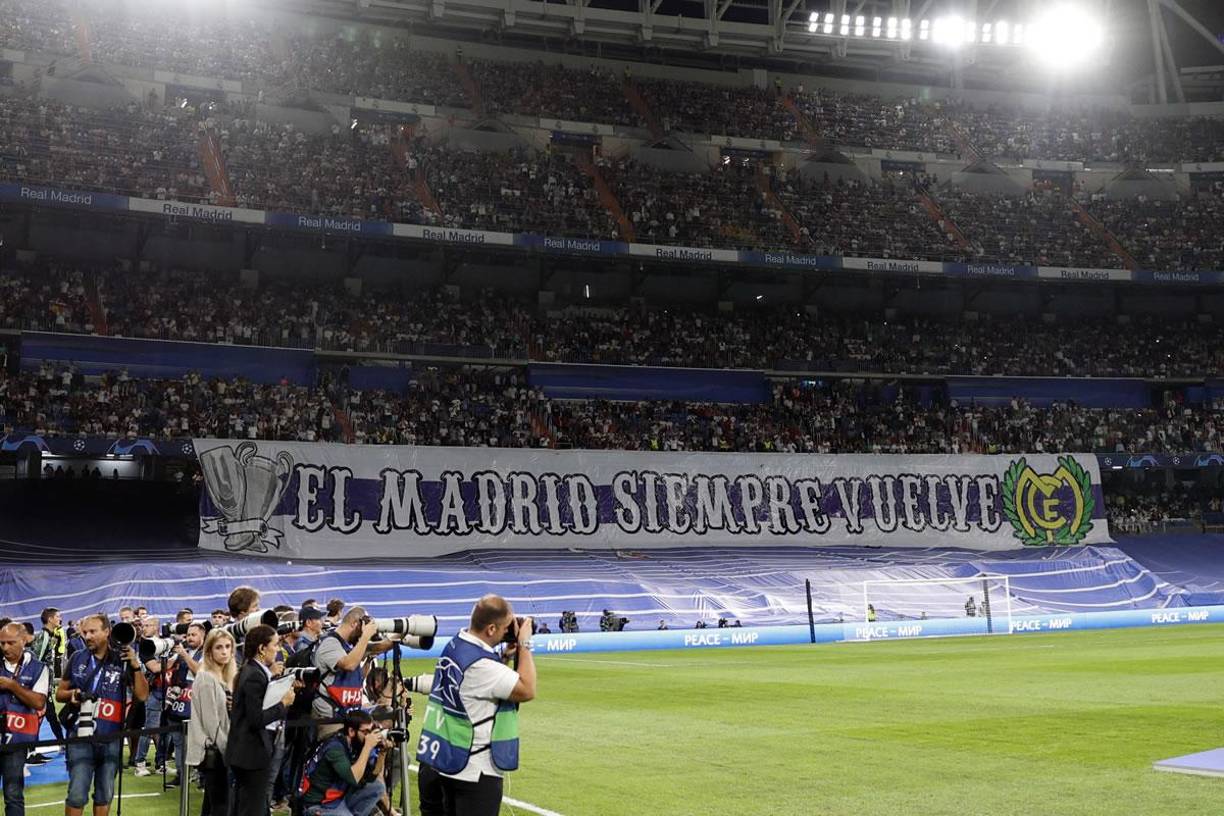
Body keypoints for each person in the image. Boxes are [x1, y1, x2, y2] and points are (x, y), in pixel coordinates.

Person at [417, 594, 536, 816]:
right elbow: (527, 689)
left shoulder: (457, 644)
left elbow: (476, 687)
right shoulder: (480, 664)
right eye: (503, 628)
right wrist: (524, 644)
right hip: (473, 770)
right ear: (491, 629)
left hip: (445, 760)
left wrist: (506, 658)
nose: (506, 632)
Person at [57, 613, 149, 816]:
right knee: (77, 794)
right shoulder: (77, 657)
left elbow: (142, 695)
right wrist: (74, 695)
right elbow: (59, 693)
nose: (88, 636)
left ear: (107, 632)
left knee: (104, 794)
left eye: (93, 631)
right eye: (85, 632)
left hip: (111, 737)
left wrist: (135, 664)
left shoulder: (123, 659)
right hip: (80, 735)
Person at [226, 624, 295, 816]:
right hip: (251, 754)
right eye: (274, 644)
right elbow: (256, 719)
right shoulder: (254, 675)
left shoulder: (252, 670)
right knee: (251, 808)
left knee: (245, 805)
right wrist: (283, 704)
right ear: (262, 648)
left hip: (246, 751)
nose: (278, 648)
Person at [312, 608, 393, 739]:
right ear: (355, 624)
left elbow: (379, 646)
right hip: (330, 719)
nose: (362, 634)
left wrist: (403, 635)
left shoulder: (349, 645)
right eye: (362, 628)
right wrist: (365, 636)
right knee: (337, 753)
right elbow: (349, 664)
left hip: (347, 716)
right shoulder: (330, 643)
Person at [0, 622, 50, 816]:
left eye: (10, 643)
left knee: (13, 794)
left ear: (23, 641)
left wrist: (13, 686)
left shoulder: (38, 668)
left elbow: (39, 702)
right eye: (2, 643)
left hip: (17, 739)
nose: (5, 648)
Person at [299, 710, 388, 816]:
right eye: (365, 732)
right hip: (317, 805)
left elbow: (371, 776)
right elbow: (354, 778)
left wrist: (383, 753)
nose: (369, 736)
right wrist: (368, 747)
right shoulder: (335, 748)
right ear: (351, 731)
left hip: (338, 800)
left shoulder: (354, 744)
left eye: (371, 730)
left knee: (377, 787)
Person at [187, 628, 237, 816]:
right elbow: (212, 725)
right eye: (219, 647)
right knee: (220, 805)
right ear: (209, 651)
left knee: (212, 804)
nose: (224, 651)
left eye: (227, 647)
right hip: (215, 752)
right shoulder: (206, 678)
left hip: (220, 750)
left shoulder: (227, 676)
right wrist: (230, 751)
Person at [164, 622, 205, 786]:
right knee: (179, 742)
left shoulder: (206, 653)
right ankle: (181, 774)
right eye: (188, 635)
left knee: (199, 742)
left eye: (193, 635)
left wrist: (184, 655)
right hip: (178, 701)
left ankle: (201, 775)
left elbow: (199, 671)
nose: (189, 638)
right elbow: (165, 666)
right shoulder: (182, 650)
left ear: (203, 635)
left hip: (196, 702)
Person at [134, 616, 168, 776]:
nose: (144, 628)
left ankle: (161, 763)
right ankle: (139, 763)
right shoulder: (145, 646)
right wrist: (174, 659)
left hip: (166, 691)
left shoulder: (164, 643)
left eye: (148, 625)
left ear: (156, 627)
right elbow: (154, 668)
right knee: (149, 728)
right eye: (143, 625)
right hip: (152, 690)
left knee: (162, 731)